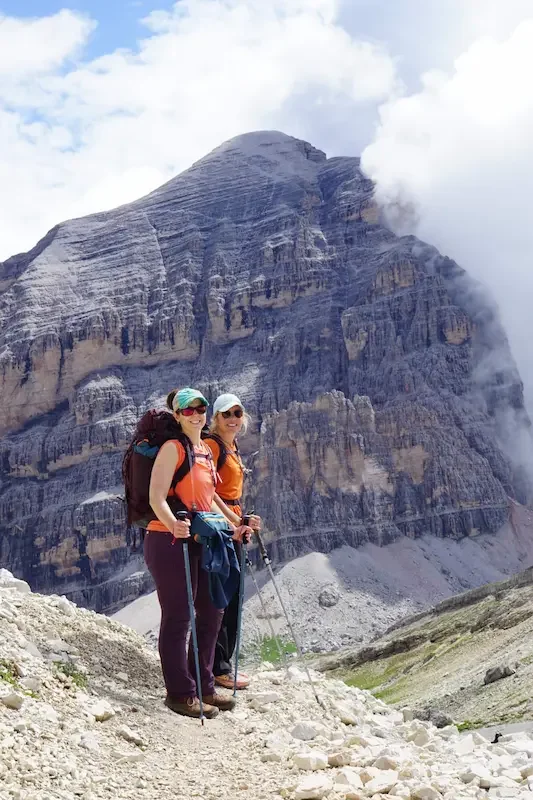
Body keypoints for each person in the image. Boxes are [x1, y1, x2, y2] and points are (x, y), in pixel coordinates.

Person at [145, 387, 252, 719]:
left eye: (200, 407)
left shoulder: (204, 450)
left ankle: (204, 685)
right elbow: (156, 497)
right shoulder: (172, 448)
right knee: (179, 616)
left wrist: (236, 523)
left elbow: (211, 500)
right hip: (168, 540)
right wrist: (172, 523)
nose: (196, 413)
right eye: (187, 409)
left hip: (202, 540)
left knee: (212, 609)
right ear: (177, 415)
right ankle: (180, 693)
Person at [204, 393, 261, 691]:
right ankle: (219, 668)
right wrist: (233, 523)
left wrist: (244, 519)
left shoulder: (231, 446)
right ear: (216, 417)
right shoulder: (213, 445)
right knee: (225, 597)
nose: (233, 418)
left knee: (233, 595)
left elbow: (230, 493)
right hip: (221, 527)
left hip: (233, 522)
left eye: (237, 413)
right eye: (227, 414)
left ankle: (219, 665)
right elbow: (209, 492)